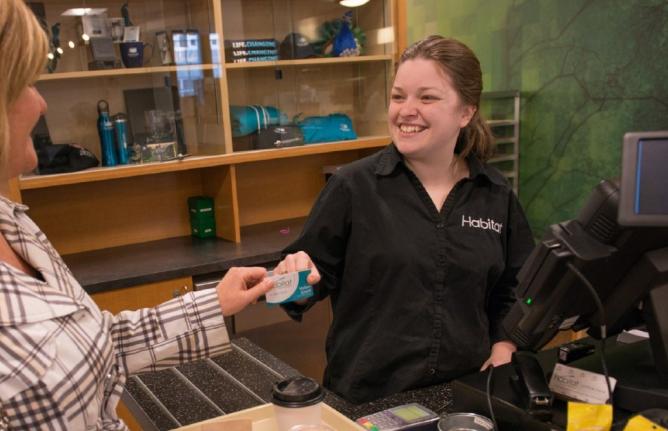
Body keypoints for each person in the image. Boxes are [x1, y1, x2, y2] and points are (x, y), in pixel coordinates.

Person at [0, 1, 319, 428]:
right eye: (25, 83)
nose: (41, 105)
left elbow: (97, 344)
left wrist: (215, 303)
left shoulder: (13, 221)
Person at [275, 35, 535, 403]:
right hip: (366, 399)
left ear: (466, 112)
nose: (406, 110)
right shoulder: (353, 187)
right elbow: (303, 287)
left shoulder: (494, 193)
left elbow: (516, 289)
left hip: (463, 395)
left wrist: (506, 344)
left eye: (426, 98)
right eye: (399, 96)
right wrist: (293, 281)